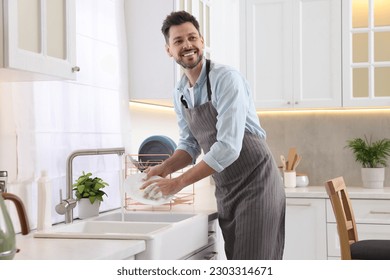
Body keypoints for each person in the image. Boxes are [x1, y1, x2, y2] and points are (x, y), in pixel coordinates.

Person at [142, 10, 286, 260]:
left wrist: (177, 183)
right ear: (168, 50)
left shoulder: (226, 79)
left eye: (192, 38)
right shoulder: (180, 93)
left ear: (202, 41)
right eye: (178, 41)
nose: (187, 45)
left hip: (257, 182)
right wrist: (163, 169)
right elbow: (189, 145)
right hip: (227, 188)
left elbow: (229, 146)